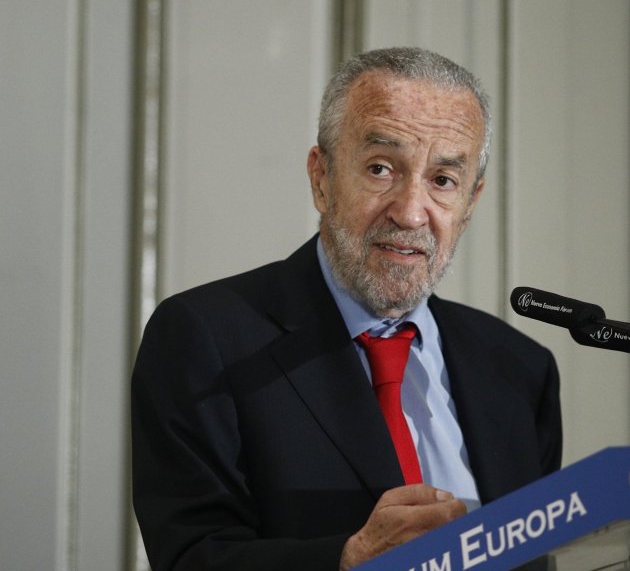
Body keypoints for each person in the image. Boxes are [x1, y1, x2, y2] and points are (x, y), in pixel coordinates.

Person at [132, 47, 562, 571]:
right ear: (321, 178)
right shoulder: (205, 338)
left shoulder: (519, 368)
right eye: (381, 169)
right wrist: (348, 561)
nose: (410, 213)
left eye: (443, 181)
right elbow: (190, 558)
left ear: (470, 203)